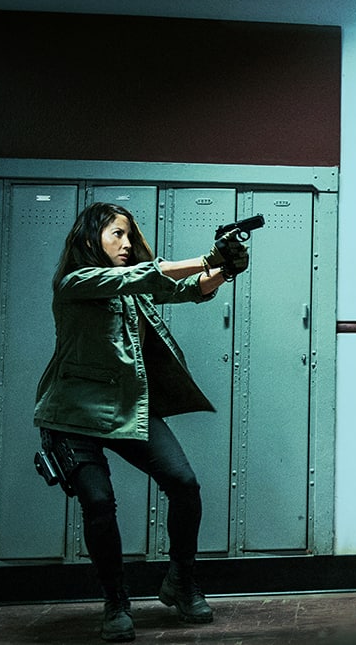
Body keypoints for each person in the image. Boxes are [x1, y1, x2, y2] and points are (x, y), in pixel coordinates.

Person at [33, 202, 249, 642]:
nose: (127, 243)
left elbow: (183, 289)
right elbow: (143, 276)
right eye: (118, 234)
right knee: (98, 504)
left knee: (184, 484)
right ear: (90, 238)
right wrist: (207, 258)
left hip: (128, 405)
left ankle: (181, 580)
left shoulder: (133, 285)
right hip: (73, 412)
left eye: (130, 235)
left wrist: (224, 271)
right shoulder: (76, 282)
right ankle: (115, 601)